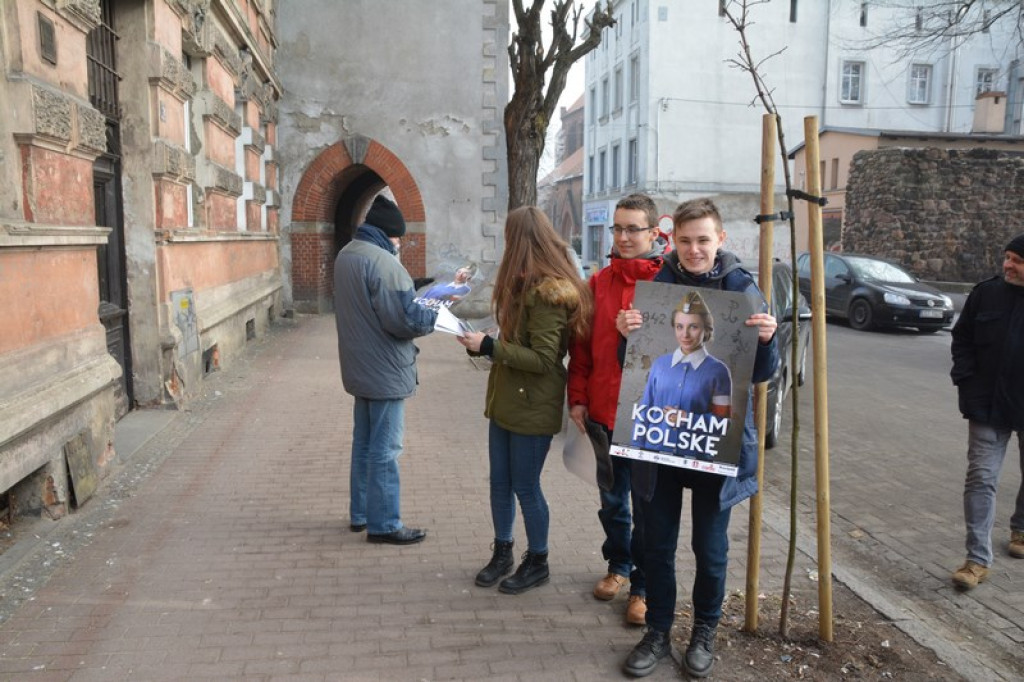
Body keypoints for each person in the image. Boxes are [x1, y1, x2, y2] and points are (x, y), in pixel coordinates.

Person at [620, 198, 777, 679]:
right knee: (657, 547)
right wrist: (622, 332)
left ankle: (705, 631)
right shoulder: (658, 286)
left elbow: (761, 374)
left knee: (710, 550)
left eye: (703, 239)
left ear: (720, 240)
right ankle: (658, 632)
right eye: (685, 240)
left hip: (714, 450)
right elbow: (633, 370)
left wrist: (769, 339)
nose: (694, 249)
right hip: (660, 449)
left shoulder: (742, 288)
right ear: (674, 241)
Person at [458, 206, 592, 595]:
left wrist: (489, 347)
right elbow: (510, 342)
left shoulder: (548, 294)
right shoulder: (523, 285)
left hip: (533, 405)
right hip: (506, 402)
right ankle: (503, 551)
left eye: (508, 238)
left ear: (521, 241)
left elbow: (544, 359)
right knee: (499, 483)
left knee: (526, 487)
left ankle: (539, 559)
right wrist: (480, 344)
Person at [567, 193, 667, 625]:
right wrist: (579, 398)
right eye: (619, 229)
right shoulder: (599, 284)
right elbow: (582, 348)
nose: (624, 237)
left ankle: (643, 586)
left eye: (633, 229)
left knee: (648, 509)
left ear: (653, 233)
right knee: (612, 503)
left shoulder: (668, 283)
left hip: (650, 419)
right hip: (604, 414)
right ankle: (618, 566)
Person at [333, 195, 437, 545]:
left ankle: (360, 514)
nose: (400, 244)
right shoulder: (386, 264)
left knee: (363, 444)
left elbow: (373, 302)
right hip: (386, 371)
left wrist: (413, 291)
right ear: (388, 234)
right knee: (386, 449)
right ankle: (385, 523)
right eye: (398, 238)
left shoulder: (347, 254)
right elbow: (404, 322)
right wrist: (435, 308)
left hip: (359, 367)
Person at [949, 233, 1024, 590]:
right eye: (1007, 256)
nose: (1008, 264)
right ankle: (976, 560)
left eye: (1018, 260)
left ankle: (1021, 528)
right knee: (980, 477)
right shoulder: (986, 293)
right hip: (987, 404)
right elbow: (961, 337)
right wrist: (965, 378)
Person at [630, 290, 733, 458]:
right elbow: (644, 412)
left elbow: (723, 423)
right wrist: (636, 451)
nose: (685, 334)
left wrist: (687, 419)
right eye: (679, 326)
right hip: (656, 454)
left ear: (706, 329)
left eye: (693, 326)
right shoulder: (659, 365)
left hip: (696, 457)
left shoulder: (718, 371)